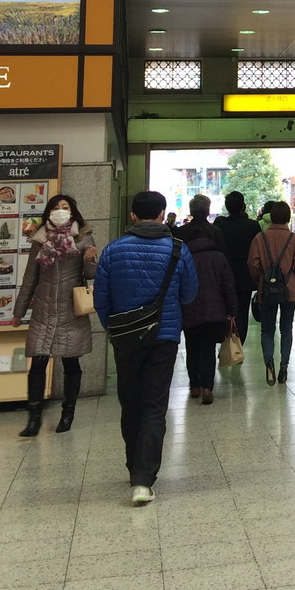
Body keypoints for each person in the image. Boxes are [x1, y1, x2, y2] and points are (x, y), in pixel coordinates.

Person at [94, 189, 198, 506]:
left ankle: (133, 468)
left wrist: (114, 328)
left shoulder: (113, 250)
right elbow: (189, 294)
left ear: (133, 215)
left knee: (131, 404)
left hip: (125, 339)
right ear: (162, 214)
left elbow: (101, 300)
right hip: (163, 338)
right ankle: (143, 480)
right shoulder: (178, 249)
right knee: (154, 406)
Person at [12, 194, 97, 437]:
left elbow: (91, 275)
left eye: (65, 207)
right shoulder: (40, 239)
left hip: (71, 309)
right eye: (56, 207)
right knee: (38, 363)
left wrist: (90, 260)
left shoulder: (83, 237)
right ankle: (34, 418)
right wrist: (19, 311)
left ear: (73, 212)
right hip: (44, 308)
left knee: (71, 362)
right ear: (48, 212)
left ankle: (68, 413)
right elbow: (30, 277)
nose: (60, 211)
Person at [180, 215, 238, 403]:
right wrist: (232, 310)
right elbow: (228, 286)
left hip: (189, 309)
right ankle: (207, 388)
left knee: (192, 348)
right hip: (214, 310)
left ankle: (194, 386)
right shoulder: (219, 257)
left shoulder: (184, 258)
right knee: (207, 348)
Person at [248, 200, 295, 385]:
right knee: (286, 328)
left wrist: (260, 280)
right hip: (289, 289)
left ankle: (269, 362)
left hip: (266, 289)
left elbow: (253, 264)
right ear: (288, 217)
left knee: (267, 329)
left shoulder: (260, 238)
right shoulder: (293, 239)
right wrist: (294, 281)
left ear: (271, 217)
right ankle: (284, 366)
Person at [213, 190, 261, 344]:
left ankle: (226, 344)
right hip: (246, 277)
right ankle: (238, 346)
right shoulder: (253, 226)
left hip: (224, 276)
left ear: (227, 207)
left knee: (225, 310)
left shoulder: (220, 226)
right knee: (242, 313)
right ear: (243, 207)